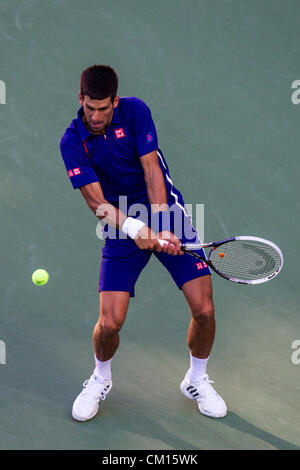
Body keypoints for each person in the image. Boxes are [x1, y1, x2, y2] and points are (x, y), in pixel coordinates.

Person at [60, 65, 227, 421]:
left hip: (166, 211)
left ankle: (196, 379)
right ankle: (99, 379)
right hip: (120, 224)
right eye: (90, 107)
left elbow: (152, 169)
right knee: (109, 324)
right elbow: (97, 204)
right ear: (81, 99)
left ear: (115, 101)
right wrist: (137, 229)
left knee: (204, 309)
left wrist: (164, 224)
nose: (96, 116)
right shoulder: (72, 142)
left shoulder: (135, 111)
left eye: (103, 109)